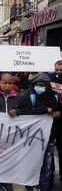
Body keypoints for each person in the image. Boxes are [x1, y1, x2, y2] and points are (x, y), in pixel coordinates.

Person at [20, 73, 60, 191]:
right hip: (32, 137)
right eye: (37, 84)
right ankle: (29, 187)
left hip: (48, 137)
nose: (39, 87)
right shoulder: (29, 95)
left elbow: (58, 110)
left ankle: (45, 187)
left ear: (47, 86)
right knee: (31, 164)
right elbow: (26, 112)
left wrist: (59, 113)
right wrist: (44, 109)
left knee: (46, 166)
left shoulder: (54, 97)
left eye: (42, 85)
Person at [48, 60, 62, 188]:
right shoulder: (48, 79)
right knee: (49, 151)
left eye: (61, 71)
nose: (58, 73)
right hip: (49, 122)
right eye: (56, 70)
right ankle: (49, 176)